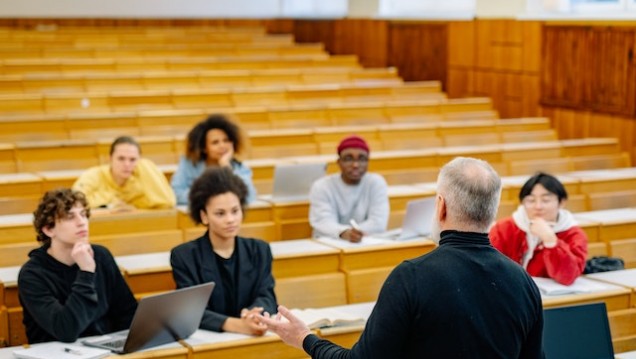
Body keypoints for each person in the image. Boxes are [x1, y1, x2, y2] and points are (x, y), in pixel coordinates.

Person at [259, 157, 544, 358]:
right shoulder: (522, 281)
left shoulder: (411, 277)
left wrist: (305, 339)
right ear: (492, 211)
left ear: (440, 206)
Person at [18, 188, 138, 344]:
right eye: (70, 217)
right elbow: (66, 330)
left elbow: (127, 313)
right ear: (49, 229)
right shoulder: (32, 275)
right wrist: (86, 272)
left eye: (83, 215)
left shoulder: (101, 256)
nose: (82, 222)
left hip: (104, 350)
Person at [170, 167, 276, 335]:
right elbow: (190, 311)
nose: (230, 220)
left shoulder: (259, 250)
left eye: (235, 211)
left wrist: (254, 315)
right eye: (220, 213)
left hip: (252, 336)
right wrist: (238, 325)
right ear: (204, 216)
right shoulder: (184, 256)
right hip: (208, 339)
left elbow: (267, 296)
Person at [490, 172, 588, 285]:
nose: (538, 207)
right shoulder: (504, 228)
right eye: (531, 201)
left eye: (546, 200)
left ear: (561, 202)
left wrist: (551, 241)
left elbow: (567, 277)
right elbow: (490, 267)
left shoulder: (574, 234)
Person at [308, 135, 389, 242]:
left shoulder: (376, 182)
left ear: (368, 162)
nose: (355, 165)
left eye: (362, 159)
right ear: (339, 162)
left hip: (366, 242)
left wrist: (354, 234)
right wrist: (344, 233)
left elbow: (378, 222)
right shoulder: (322, 186)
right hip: (330, 243)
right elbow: (322, 221)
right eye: (348, 159)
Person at [171, 114, 256, 205]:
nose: (222, 146)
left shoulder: (237, 167)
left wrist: (226, 167)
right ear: (204, 148)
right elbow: (176, 194)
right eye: (215, 142)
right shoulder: (189, 164)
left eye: (226, 140)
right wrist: (212, 197)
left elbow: (250, 197)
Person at [72, 136, 175, 210]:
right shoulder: (93, 176)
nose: (127, 164)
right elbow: (73, 206)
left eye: (133, 160)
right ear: (110, 159)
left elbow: (167, 203)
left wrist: (145, 164)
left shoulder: (140, 181)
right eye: (121, 159)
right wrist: (112, 211)